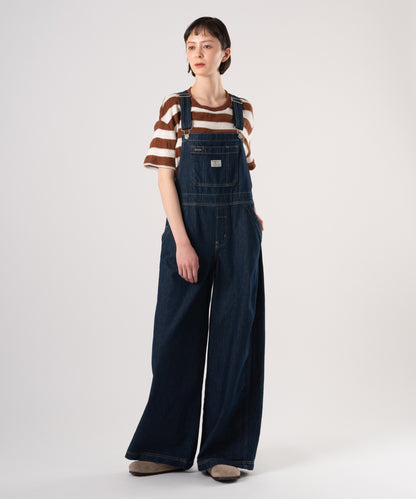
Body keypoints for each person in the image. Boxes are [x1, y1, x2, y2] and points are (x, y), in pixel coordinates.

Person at [124, 16, 265, 483]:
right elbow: (165, 176)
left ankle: (225, 451)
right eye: (191, 46)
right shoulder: (175, 108)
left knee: (235, 338)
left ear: (226, 52)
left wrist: (251, 216)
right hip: (189, 232)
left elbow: (243, 172)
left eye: (207, 45)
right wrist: (182, 241)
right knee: (175, 338)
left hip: (240, 232)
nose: (198, 53)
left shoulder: (243, 111)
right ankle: (166, 447)